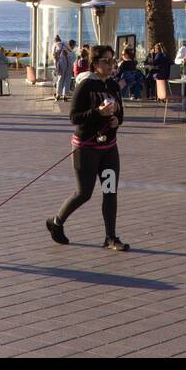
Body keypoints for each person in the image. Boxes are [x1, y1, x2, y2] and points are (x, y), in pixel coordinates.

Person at [46, 45, 129, 252]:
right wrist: (97, 113)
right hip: (86, 148)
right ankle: (56, 222)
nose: (111, 65)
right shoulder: (86, 86)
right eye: (106, 61)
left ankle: (111, 237)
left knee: (110, 191)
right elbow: (74, 117)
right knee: (84, 193)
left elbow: (121, 114)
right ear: (94, 64)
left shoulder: (113, 85)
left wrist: (116, 121)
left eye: (113, 60)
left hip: (109, 148)